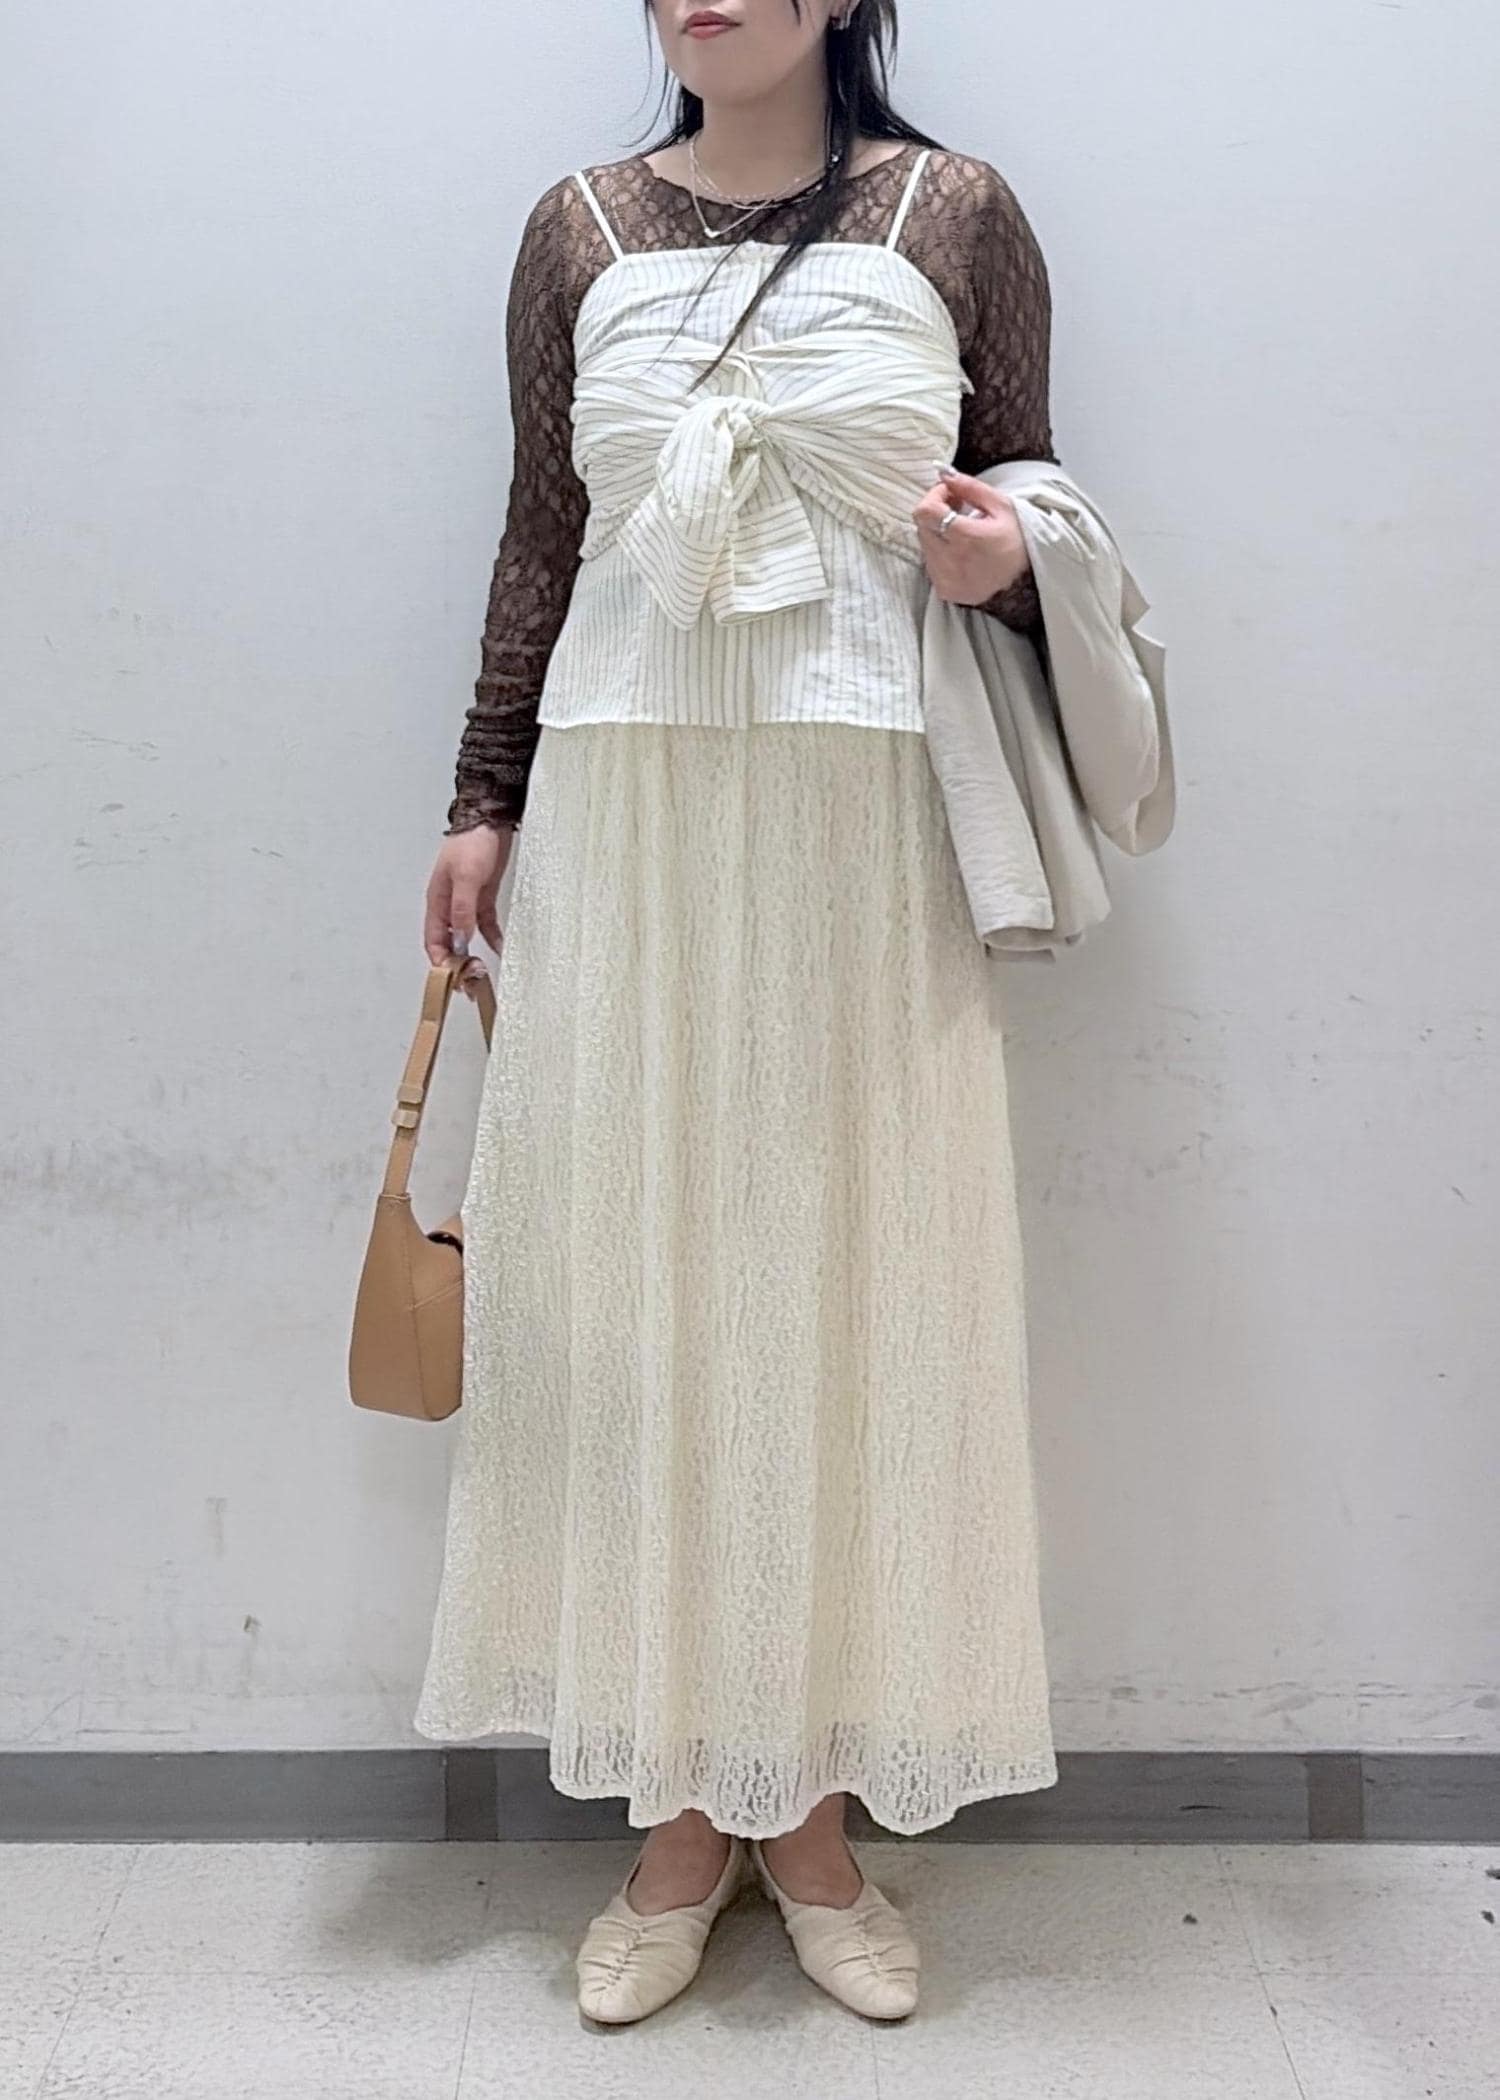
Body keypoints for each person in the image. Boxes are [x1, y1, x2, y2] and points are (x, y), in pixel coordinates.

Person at [414, 0, 1059, 2024]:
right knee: (645, 1291)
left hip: (870, 812)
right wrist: (482, 799)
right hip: (632, 807)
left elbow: (1039, 494)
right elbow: (545, 531)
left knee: (856, 1286)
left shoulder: (957, 212)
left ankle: (817, 1815)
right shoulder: (578, 229)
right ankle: (684, 1810)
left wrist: (1003, 558)